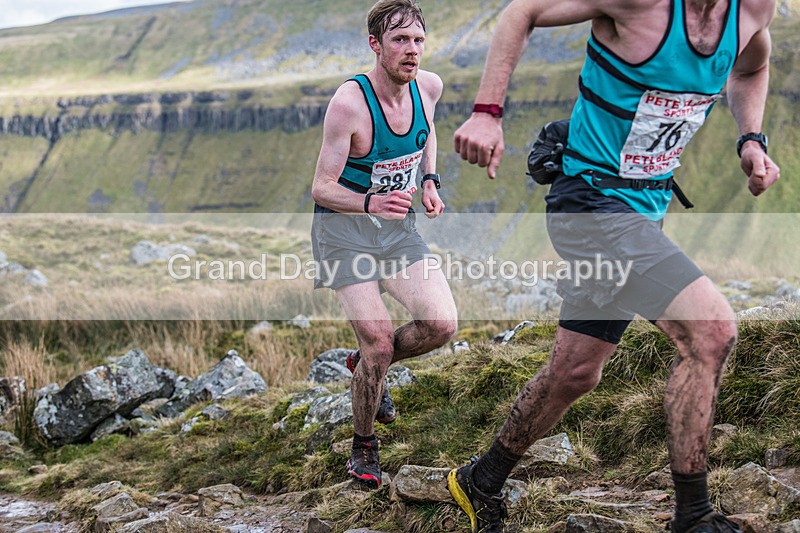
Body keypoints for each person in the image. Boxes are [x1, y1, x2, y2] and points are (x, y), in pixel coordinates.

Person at [447, 0, 780, 531]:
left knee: (575, 372)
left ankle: (480, 481)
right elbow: (521, 11)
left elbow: (752, 66)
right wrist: (486, 115)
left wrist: (751, 139)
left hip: (644, 213)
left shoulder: (752, 11)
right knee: (711, 332)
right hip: (590, 206)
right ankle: (692, 516)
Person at [311, 0, 457, 489]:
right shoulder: (349, 103)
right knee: (377, 339)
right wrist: (372, 201)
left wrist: (430, 179)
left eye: (417, 40)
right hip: (344, 231)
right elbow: (322, 187)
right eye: (399, 40)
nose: (411, 51)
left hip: (396, 232)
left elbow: (427, 129)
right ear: (376, 45)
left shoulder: (428, 87)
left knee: (441, 325)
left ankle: (367, 368)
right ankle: (364, 444)